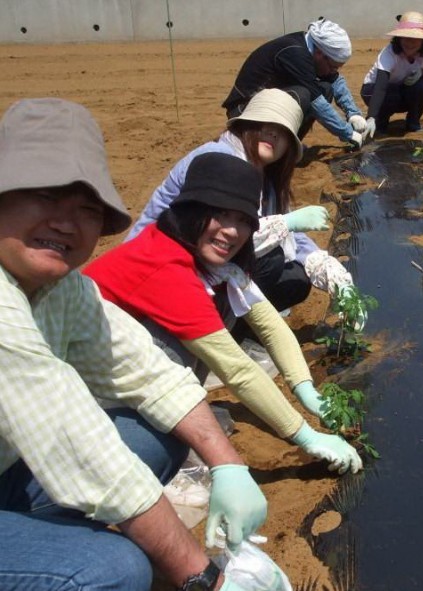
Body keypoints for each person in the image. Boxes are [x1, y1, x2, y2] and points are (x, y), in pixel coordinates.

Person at [0, 98, 264, 591]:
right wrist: (204, 579)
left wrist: (227, 464)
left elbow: (147, 371)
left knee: (156, 430)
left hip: (9, 470)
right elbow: (70, 435)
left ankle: (51, 544)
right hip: (32, 455)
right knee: (111, 569)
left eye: (85, 209)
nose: (66, 222)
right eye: (45, 196)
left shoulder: (62, 288)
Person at [85, 152, 364, 476]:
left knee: (225, 308)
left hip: (125, 362)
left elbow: (270, 325)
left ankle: (175, 409)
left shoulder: (217, 263)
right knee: (162, 437)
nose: (232, 231)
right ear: (190, 211)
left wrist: (308, 393)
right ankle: (146, 429)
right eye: (220, 214)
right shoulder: (166, 264)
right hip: (92, 389)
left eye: (244, 220)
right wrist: (306, 436)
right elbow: (236, 369)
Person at [127, 88, 368, 323]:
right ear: (246, 126)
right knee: (271, 258)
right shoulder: (218, 159)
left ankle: (238, 327)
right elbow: (209, 236)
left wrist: (331, 272)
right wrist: (285, 223)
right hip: (159, 267)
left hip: (205, 266)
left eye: (282, 133)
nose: (273, 135)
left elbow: (294, 237)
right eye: (266, 125)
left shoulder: (265, 178)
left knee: (296, 278)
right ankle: (211, 324)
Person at [222, 19, 374, 149]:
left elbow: (335, 80)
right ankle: (276, 148)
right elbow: (317, 104)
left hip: (268, 103)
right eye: (333, 66)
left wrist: (353, 114)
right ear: (320, 54)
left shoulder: (311, 48)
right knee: (304, 95)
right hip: (245, 112)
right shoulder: (294, 53)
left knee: (325, 88)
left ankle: (288, 146)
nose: (332, 71)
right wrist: (347, 133)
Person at [360, 11, 423, 133]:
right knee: (391, 94)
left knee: (421, 88)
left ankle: (413, 123)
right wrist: (372, 116)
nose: (410, 43)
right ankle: (379, 122)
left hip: (402, 90)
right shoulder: (389, 53)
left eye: (416, 39)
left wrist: (421, 74)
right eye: (406, 37)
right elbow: (380, 86)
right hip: (374, 91)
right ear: (399, 38)